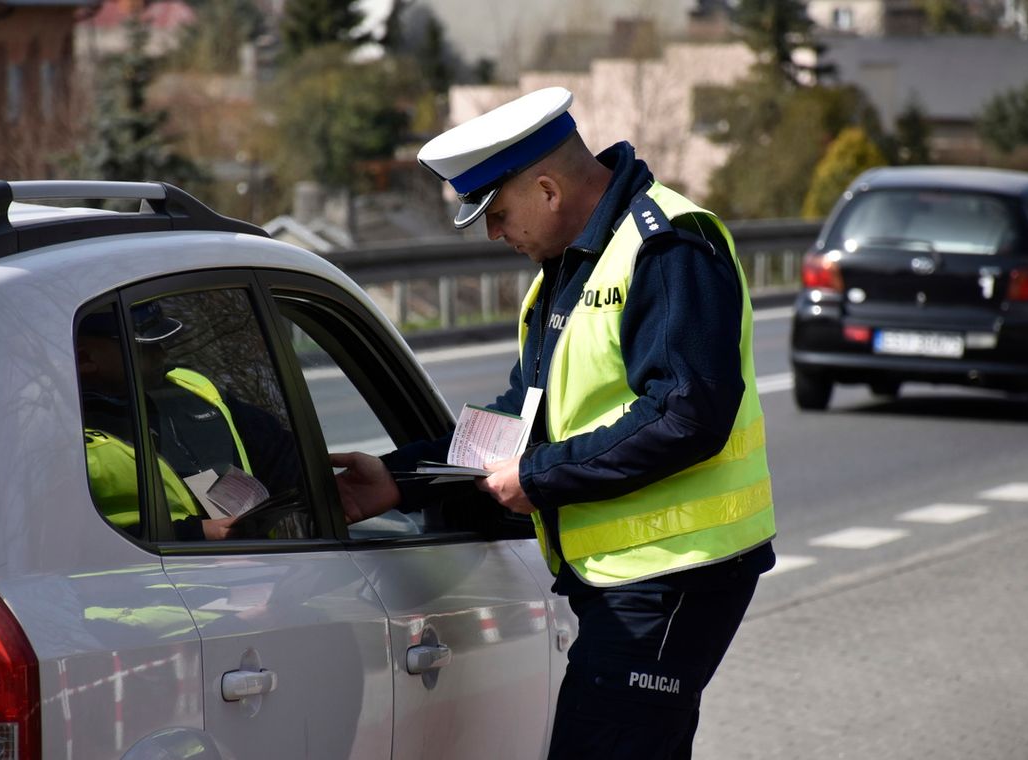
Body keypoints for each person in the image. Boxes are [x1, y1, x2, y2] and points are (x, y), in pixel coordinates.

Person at [332, 86, 776, 759]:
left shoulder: (667, 247)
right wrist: (398, 481)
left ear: (546, 188)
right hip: (624, 577)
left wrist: (537, 479)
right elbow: (519, 421)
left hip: (677, 574)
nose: (493, 233)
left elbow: (689, 415)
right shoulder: (566, 270)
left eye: (498, 212)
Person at [78, 302, 301, 540]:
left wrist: (325, 481)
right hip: (163, 571)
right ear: (84, 358)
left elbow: (278, 455)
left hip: (258, 566)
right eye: (146, 348)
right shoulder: (63, 433)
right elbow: (66, 542)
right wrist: (194, 535)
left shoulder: (192, 389)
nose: (163, 354)